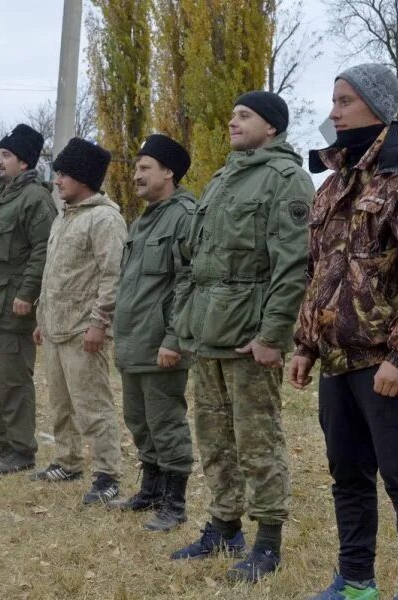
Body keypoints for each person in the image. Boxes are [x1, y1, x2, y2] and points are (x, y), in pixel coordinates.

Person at [290, 64, 398, 600]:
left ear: (376, 105)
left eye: (344, 101)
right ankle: (355, 584)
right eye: (333, 101)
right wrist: (305, 343)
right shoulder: (338, 180)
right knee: (348, 477)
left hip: (386, 362)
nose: (333, 112)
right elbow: (319, 270)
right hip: (336, 360)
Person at [170, 91, 315, 582]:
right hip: (208, 331)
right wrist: (184, 324)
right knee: (214, 438)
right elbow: (196, 261)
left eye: (245, 115)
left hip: (249, 335)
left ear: (271, 127)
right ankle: (224, 525)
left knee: (257, 442)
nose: (232, 121)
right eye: (232, 113)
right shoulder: (222, 179)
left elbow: (292, 266)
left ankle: (267, 542)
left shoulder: (286, 180)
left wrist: (273, 335)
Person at [109, 134, 196, 533]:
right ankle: (152, 489)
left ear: (169, 172)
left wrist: (174, 339)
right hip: (134, 342)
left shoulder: (185, 216)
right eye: (136, 167)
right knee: (139, 421)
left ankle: (174, 503)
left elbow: (188, 282)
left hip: (162, 343)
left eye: (145, 168)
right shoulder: (143, 219)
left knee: (166, 422)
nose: (137, 175)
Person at [32, 137, 126, 504]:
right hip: (55, 328)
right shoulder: (64, 217)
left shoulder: (105, 219)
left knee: (93, 406)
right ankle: (67, 460)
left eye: (64, 175)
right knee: (60, 403)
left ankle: (108, 474)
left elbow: (113, 275)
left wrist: (99, 323)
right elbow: (55, 275)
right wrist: (42, 318)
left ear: (84, 178)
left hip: (82, 332)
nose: (57, 181)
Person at [0, 123, 57, 475]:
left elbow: (42, 251)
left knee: (14, 381)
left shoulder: (36, 200)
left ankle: (21, 449)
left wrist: (27, 294)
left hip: (12, 308)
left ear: (24, 163)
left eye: (6, 155)